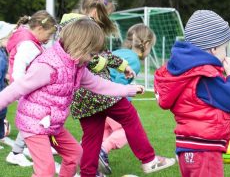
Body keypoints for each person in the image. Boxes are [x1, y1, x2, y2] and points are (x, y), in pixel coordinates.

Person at [0, 18, 146, 177]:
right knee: (46, 171)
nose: (91, 59)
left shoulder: (78, 67)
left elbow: (99, 84)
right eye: (91, 53)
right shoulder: (47, 67)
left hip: (52, 127)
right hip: (34, 126)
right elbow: (16, 89)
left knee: (75, 154)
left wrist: (128, 89)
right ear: (79, 46)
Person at [64, 0, 175, 177]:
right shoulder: (86, 27)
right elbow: (87, 57)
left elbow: (103, 53)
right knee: (130, 116)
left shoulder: (68, 24)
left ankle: (88, 174)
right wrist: (102, 64)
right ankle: (149, 160)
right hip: (97, 90)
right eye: (107, 15)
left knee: (92, 136)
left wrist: (122, 65)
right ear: (97, 12)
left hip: (80, 95)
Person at [154, 10, 230, 177]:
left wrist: (227, 120)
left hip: (186, 147)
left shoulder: (186, 71)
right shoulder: (204, 74)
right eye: (224, 48)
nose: (225, 53)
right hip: (204, 150)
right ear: (214, 48)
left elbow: (197, 106)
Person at [99, 23, 156, 173]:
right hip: (111, 100)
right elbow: (118, 83)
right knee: (127, 129)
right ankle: (102, 150)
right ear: (147, 44)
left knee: (103, 131)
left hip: (97, 98)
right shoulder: (134, 61)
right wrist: (129, 92)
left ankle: (89, 155)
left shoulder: (119, 52)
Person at [5, 11, 57, 167]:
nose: (49, 39)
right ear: (40, 29)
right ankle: (15, 153)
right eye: (49, 34)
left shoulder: (30, 41)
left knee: (37, 119)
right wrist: (24, 89)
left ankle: (26, 148)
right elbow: (19, 69)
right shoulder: (28, 44)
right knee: (33, 120)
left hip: (27, 88)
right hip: (26, 89)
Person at [0, 21, 15, 149]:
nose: (11, 40)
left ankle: (1, 135)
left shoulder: (3, 52)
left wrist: (6, 77)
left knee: (2, 112)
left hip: (2, 89)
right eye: (9, 37)